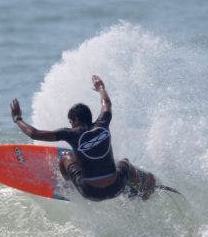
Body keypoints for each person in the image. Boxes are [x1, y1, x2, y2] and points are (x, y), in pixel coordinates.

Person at [10, 75, 156, 202]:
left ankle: (67, 183)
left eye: (71, 122)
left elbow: (34, 133)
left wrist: (17, 119)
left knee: (66, 156)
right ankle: (143, 190)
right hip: (115, 187)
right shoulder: (103, 123)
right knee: (124, 163)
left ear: (76, 120)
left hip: (89, 191)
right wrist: (100, 88)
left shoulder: (71, 133)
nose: (71, 125)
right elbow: (106, 103)